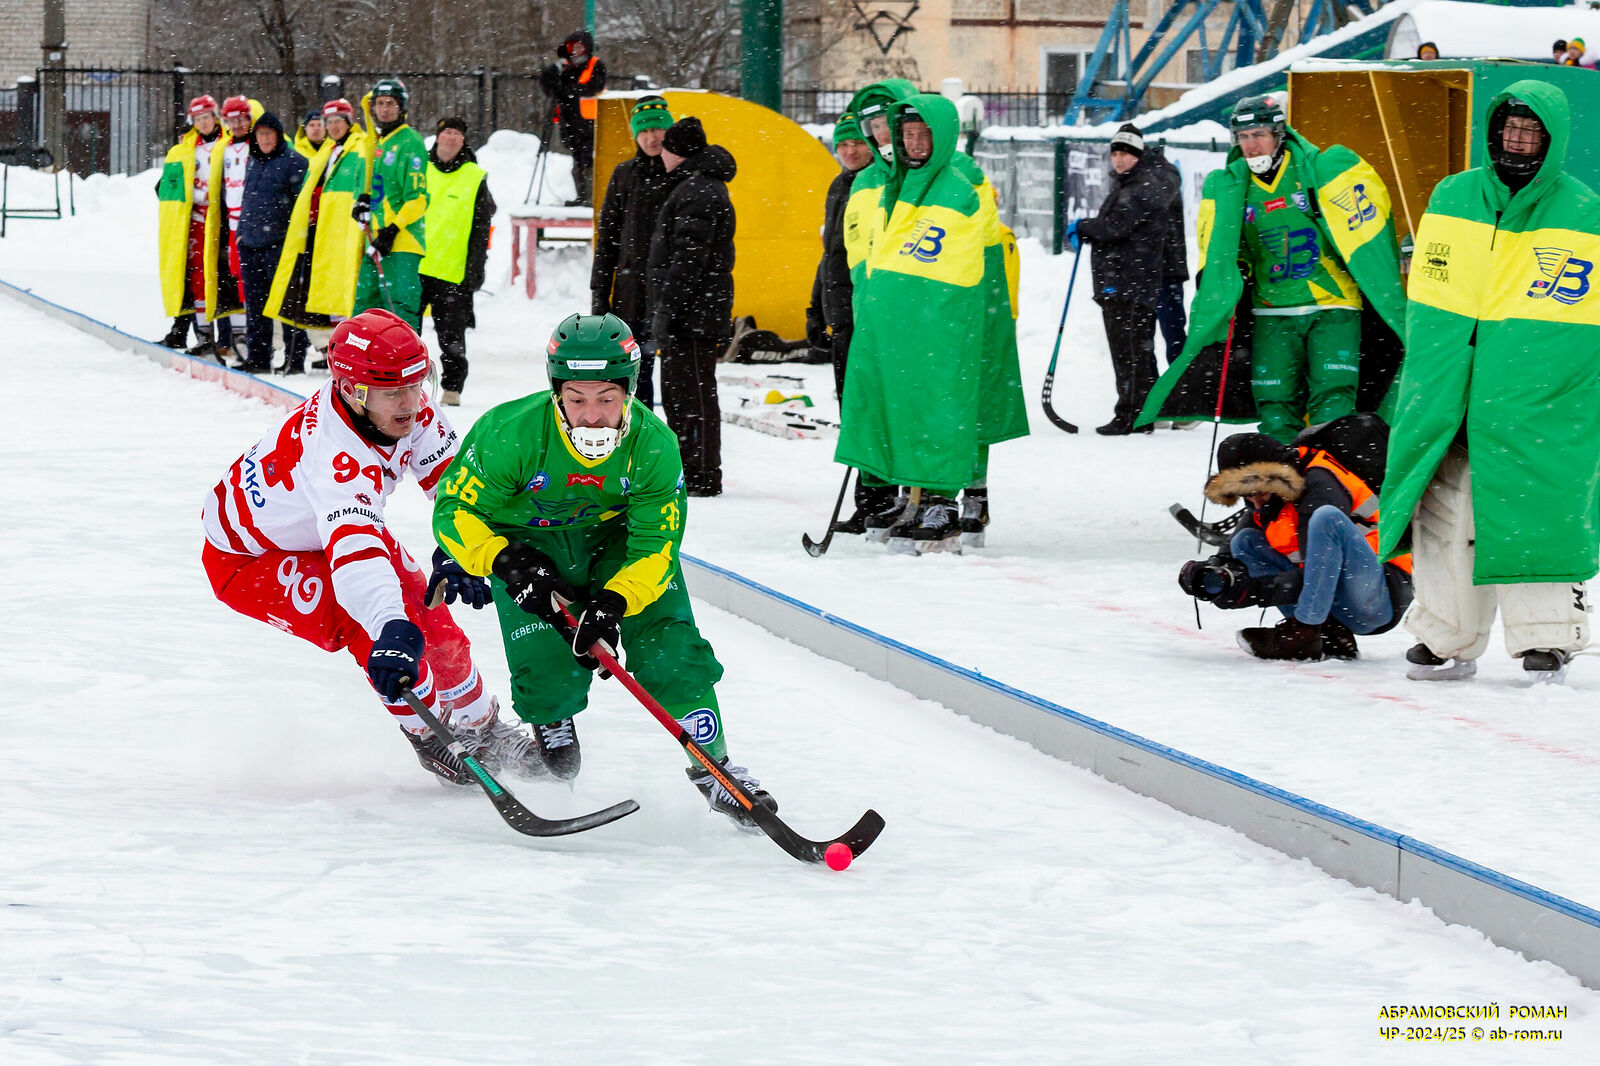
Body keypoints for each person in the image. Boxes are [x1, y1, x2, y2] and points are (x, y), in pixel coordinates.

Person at [430, 313, 777, 828]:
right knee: (548, 671)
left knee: (671, 651)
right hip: (528, 545)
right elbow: (454, 510)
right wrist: (504, 561)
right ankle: (552, 718)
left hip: (615, 543)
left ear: (629, 390)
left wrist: (615, 602)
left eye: (606, 399)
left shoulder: (653, 446)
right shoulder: (509, 433)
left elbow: (656, 544)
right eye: (576, 399)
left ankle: (716, 771)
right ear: (557, 391)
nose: (591, 416)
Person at [201, 309, 539, 785]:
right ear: (351, 391)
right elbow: (356, 551)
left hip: (320, 530)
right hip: (249, 560)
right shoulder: (335, 455)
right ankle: (432, 736)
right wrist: (391, 625)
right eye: (393, 392)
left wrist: (461, 547)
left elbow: (457, 488)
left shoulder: (408, 405)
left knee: (428, 609)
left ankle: (483, 727)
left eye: (416, 384)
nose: (411, 402)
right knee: (376, 627)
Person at [1378, 82, 1599, 682]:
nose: (1518, 140)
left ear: (1552, 140)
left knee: (1539, 510)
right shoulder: (1452, 196)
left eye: (1532, 131)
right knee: (1442, 512)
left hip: (1539, 399)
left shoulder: (1585, 212)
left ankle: (1548, 636)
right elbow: (1430, 297)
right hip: (1447, 388)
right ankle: (1445, 633)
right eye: (1510, 127)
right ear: (1495, 131)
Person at [1137, 94, 1407, 442]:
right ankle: (1280, 473)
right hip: (1272, 310)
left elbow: (1364, 229)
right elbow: (1222, 246)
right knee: (1275, 405)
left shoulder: (1318, 171)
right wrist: (1237, 268)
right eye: (1243, 137)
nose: (1251, 146)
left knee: (1333, 401)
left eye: (1259, 135)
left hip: (1333, 306)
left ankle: (1329, 470)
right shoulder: (1233, 186)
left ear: (1279, 134)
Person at [836, 95, 1028, 554]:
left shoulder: (960, 187)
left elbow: (961, 263)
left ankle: (945, 498)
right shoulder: (887, 184)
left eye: (923, 134)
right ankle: (910, 495)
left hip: (941, 320)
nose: (912, 143)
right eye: (906, 134)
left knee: (943, 404)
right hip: (892, 319)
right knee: (899, 404)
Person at [1181, 429, 1413, 661]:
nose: (1255, 503)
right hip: (1344, 593)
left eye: (1258, 493)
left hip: (1380, 595)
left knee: (1326, 518)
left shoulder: (1319, 483)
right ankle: (1329, 635)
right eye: (1246, 496)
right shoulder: (1271, 495)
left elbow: (1316, 572)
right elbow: (1235, 544)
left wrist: (1256, 590)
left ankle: (1305, 632)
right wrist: (1215, 570)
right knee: (1245, 541)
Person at [804, 110, 892, 533]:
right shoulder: (839, 185)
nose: (850, 151)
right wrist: (816, 306)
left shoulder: (879, 185)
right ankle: (869, 498)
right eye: (842, 144)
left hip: (868, 311)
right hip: (841, 312)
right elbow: (831, 255)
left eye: (857, 142)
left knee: (872, 408)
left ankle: (883, 496)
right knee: (853, 410)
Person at [1065, 124, 1178, 436]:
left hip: (1128, 282)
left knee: (1128, 352)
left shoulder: (1140, 187)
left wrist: (1083, 227)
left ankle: (1130, 414)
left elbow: (1114, 226)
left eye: (1125, 153)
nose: (1118, 158)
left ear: (1138, 155)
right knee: (1135, 350)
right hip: (1128, 281)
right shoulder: (1132, 184)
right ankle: (1140, 413)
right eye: (1115, 153)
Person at [646, 116, 737, 497]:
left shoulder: (698, 191)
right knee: (682, 393)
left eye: (666, 147)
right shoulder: (695, 186)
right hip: (694, 311)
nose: (660, 154)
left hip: (694, 314)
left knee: (692, 395)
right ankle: (691, 467)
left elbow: (688, 259)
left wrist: (667, 309)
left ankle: (700, 472)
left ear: (679, 152)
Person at [592, 96, 677, 410]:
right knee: (633, 372)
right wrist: (600, 294)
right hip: (632, 292)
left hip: (672, 290)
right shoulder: (624, 175)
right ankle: (636, 428)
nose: (652, 138)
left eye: (658, 129)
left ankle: (671, 434)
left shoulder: (681, 175)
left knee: (677, 376)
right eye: (644, 131)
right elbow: (607, 240)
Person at [266, 98, 370, 351]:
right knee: (324, 291)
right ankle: (334, 346)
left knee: (343, 290)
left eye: (338, 121)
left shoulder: (359, 147)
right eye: (329, 122)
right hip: (322, 231)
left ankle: (349, 346)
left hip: (343, 230)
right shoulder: (329, 150)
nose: (333, 126)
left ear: (349, 122)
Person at [417, 117, 494, 407]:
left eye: (457, 134)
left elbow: (481, 227)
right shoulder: (420, 170)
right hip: (416, 264)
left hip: (452, 270)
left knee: (452, 336)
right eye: (446, 132)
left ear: (463, 140)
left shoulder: (475, 176)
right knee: (408, 333)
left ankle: (452, 388)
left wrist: (476, 267)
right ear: (437, 137)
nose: (451, 137)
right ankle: (405, 382)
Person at [234, 112, 309, 374]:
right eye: (260, 134)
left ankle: (294, 360)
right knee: (255, 306)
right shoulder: (253, 161)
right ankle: (258, 358)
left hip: (280, 245)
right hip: (251, 244)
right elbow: (247, 199)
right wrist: (241, 233)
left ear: (278, 135)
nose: (264, 139)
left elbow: (302, 205)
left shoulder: (295, 162)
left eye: (268, 134)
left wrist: (292, 240)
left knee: (288, 305)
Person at [352, 78, 429, 330]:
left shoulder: (409, 141)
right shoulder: (379, 140)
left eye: (391, 103)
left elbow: (418, 199)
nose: (384, 109)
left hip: (401, 242)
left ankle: (405, 354)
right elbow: (380, 186)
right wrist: (363, 201)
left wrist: (393, 230)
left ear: (401, 108)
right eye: (380, 103)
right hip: (374, 240)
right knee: (365, 308)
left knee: (399, 310)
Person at [155, 94, 222, 353]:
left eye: (206, 117)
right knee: (196, 277)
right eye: (198, 118)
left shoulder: (227, 145)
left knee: (223, 278)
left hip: (221, 222)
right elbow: (167, 188)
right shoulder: (184, 150)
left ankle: (232, 338)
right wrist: (196, 196)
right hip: (194, 222)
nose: (203, 122)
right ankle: (203, 335)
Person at [202, 94, 260, 363]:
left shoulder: (257, 145)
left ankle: (252, 336)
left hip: (252, 224)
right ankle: (238, 336)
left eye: (241, 119)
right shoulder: (223, 148)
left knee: (251, 281)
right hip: (230, 224)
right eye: (231, 121)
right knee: (234, 278)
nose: (236, 125)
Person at [540, 30, 607, 206]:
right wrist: (550, 76)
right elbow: (553, 91)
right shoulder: (565, 68)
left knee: (588, 158)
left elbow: (593, 87)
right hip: (569, 121)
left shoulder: (595, 65)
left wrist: (568, 92)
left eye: (580, 46)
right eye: (573, 47)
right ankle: (582, 196)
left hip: (589, 121)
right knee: (577, 158)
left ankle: (592, 197)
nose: (576, 50)